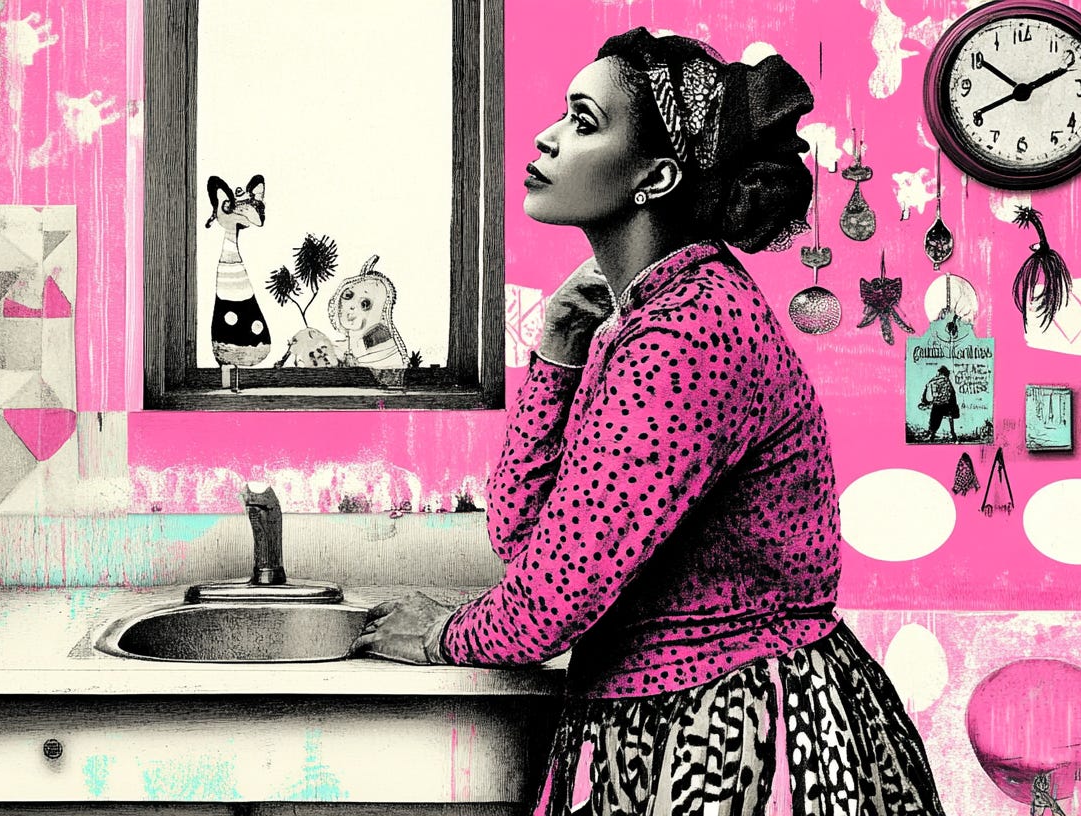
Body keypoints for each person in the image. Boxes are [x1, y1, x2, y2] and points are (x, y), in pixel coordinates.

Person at [352, 28, 945, 815]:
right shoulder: (650, 316)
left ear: (657, 175)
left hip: (729, 738)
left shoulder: (687, 335)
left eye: (584, 121)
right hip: (663, 721)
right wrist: (559, 350)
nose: (548, 136)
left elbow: (548, 606)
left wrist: (440, 636)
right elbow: (523, 539)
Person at [919, 365, 960, 442]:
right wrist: (954, 406)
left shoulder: (933, 380)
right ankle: (952, 433)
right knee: (949, 417)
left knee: (934, 418)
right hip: (947, 406)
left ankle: (932, 434)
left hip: (937, 406)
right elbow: (952, 394)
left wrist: (925, 402)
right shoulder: (946, 380)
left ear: (940, 372)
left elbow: (927, 392)